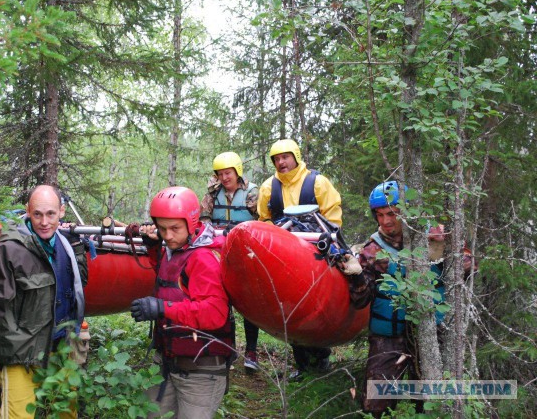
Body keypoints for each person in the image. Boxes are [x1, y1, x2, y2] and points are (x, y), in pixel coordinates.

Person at [347, 181, 476, 417]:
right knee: (376, 407)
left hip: (430, 335)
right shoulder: (371, 251)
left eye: (392, 214)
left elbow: (468, 269)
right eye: (380, 214)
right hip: (388, 336)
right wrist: (355, 275)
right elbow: (360, 300)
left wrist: (447, 248)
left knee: (429, 404)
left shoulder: (436, 236)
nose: (386, 221)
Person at [0, 185, 88, 418]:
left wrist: (78, 248)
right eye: (37, 214)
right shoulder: (11, 250)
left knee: (67, 414)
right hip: (21, 352)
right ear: (28, 211)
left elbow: (77, 287)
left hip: (62, 349)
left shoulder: (66, 245)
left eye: (50, 214)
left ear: (62, 211)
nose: (44, 222)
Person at [129, 186, 235, 419]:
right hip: (168, 363)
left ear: (192, 222)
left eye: (174, 228)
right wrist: (155, 249)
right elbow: (176, 285)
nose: (167, 235)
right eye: (162, 228)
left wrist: (160, 308)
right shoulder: (174, 248)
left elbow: (214, 313)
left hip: (201, 370)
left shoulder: (204, 257)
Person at [257, 138, 343, 380]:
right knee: (291, 306)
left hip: (316, 251)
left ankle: (321, 358)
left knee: (315, 304)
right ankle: (303, 365)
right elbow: (264, 220)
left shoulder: (317, 183)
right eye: (276, 159)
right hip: (284, 256)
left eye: (285, 157)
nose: (281, 162)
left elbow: (333, 217)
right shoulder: (268, 188)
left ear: (295, 156)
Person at [199, 151, 261, 373]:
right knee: (222, 301)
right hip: (218, 253)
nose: (225, 178)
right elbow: (203, 220)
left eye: (228, 173)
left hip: (245, 253)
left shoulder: (252, 194)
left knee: (249, 302)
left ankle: (252, 352)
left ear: (237, 172)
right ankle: (228, 348)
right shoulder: (212, 195)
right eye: (220, 174)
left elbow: (262, 221)